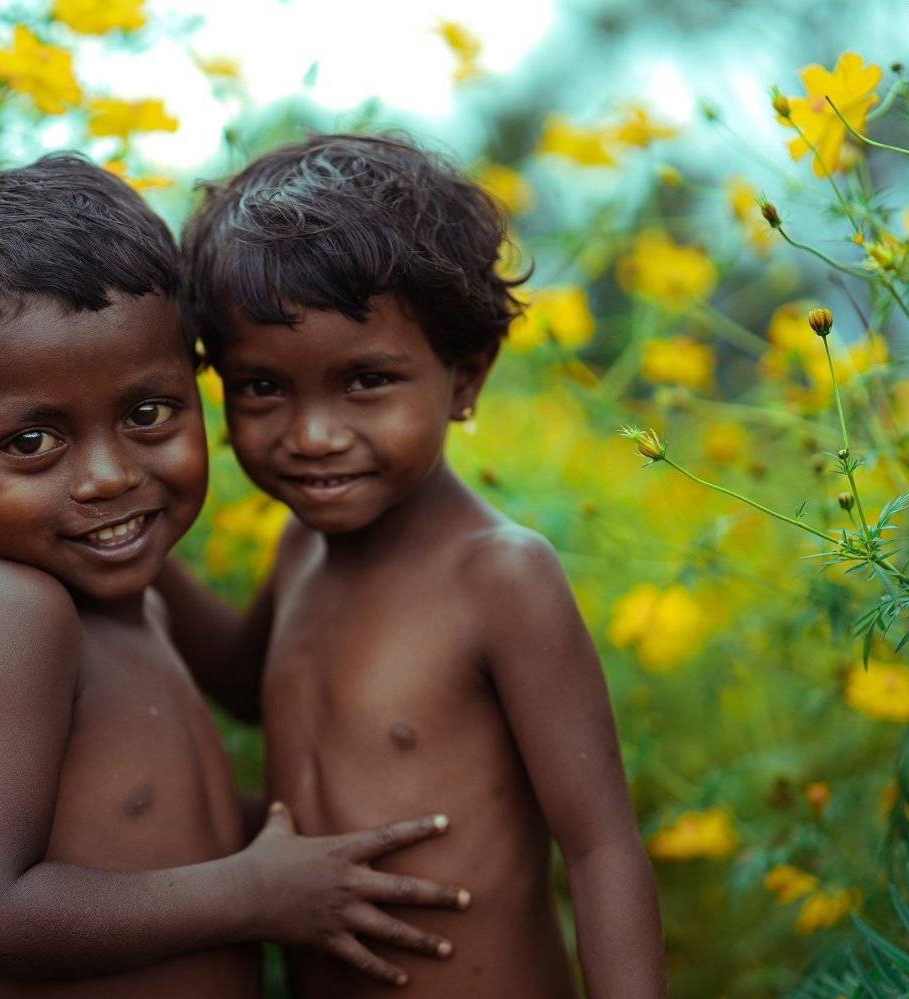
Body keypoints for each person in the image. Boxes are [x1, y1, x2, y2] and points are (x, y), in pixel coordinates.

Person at [0, 152, 471, 998]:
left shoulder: (139, 591)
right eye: (32, 442)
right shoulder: (17, 611)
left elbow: (228, 711)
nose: (107, 477)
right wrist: (255, 892)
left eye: (148, 413)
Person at [162, 133, 668, 997]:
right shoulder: (301, 549)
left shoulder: (499, 578)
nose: (313, 434)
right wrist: (134, 550)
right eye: (262, 387)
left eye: (365, 381)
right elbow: (250, 685)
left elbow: (600, 847)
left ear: (464, 378)